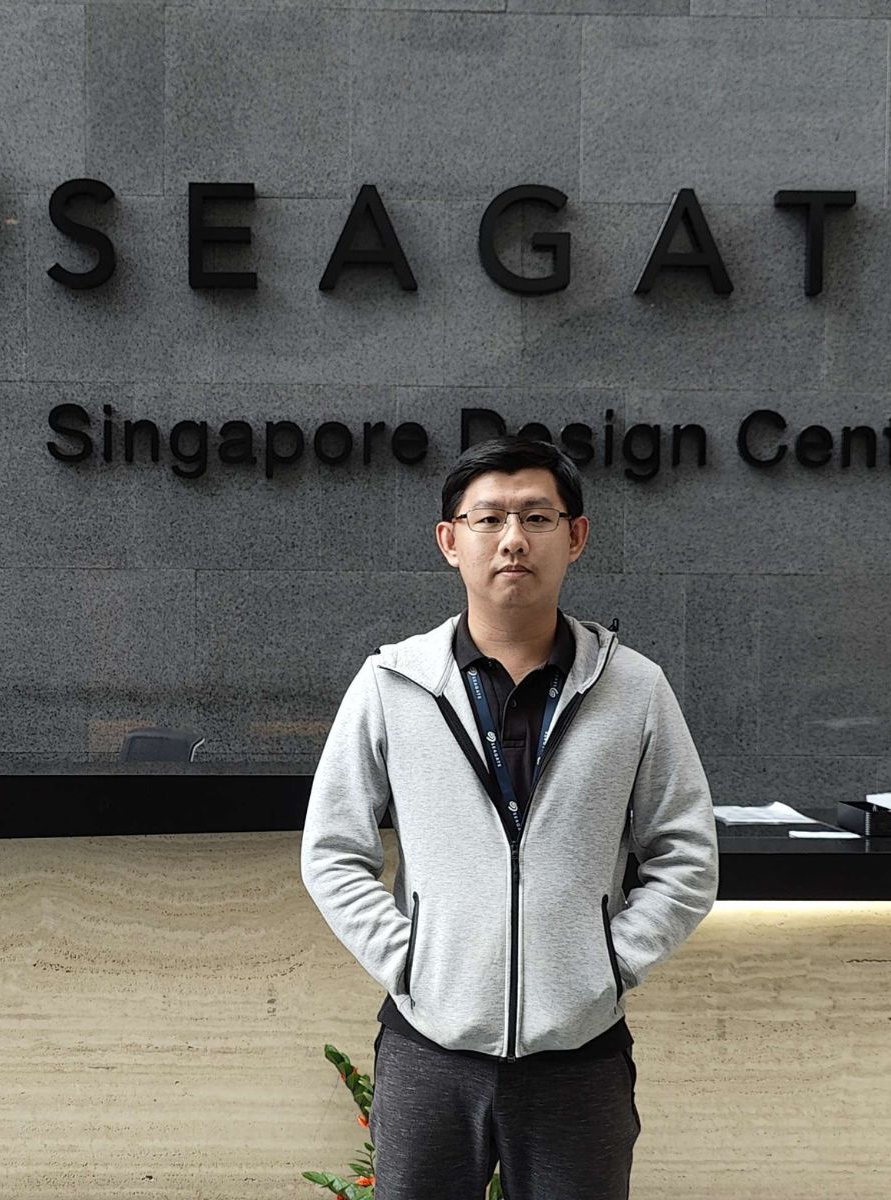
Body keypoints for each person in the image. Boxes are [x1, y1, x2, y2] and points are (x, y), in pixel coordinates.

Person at [300, 435, 719, 1199]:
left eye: (537, 516)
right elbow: (331, 850)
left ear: (576, 535)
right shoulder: (392, 683)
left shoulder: (634, 688)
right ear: (450, 541)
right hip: (430, 1049)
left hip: (579, 1056)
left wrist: (609, 963)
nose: (514, 539)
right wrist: (410, 963)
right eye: (489, 518)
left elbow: (686, 857)